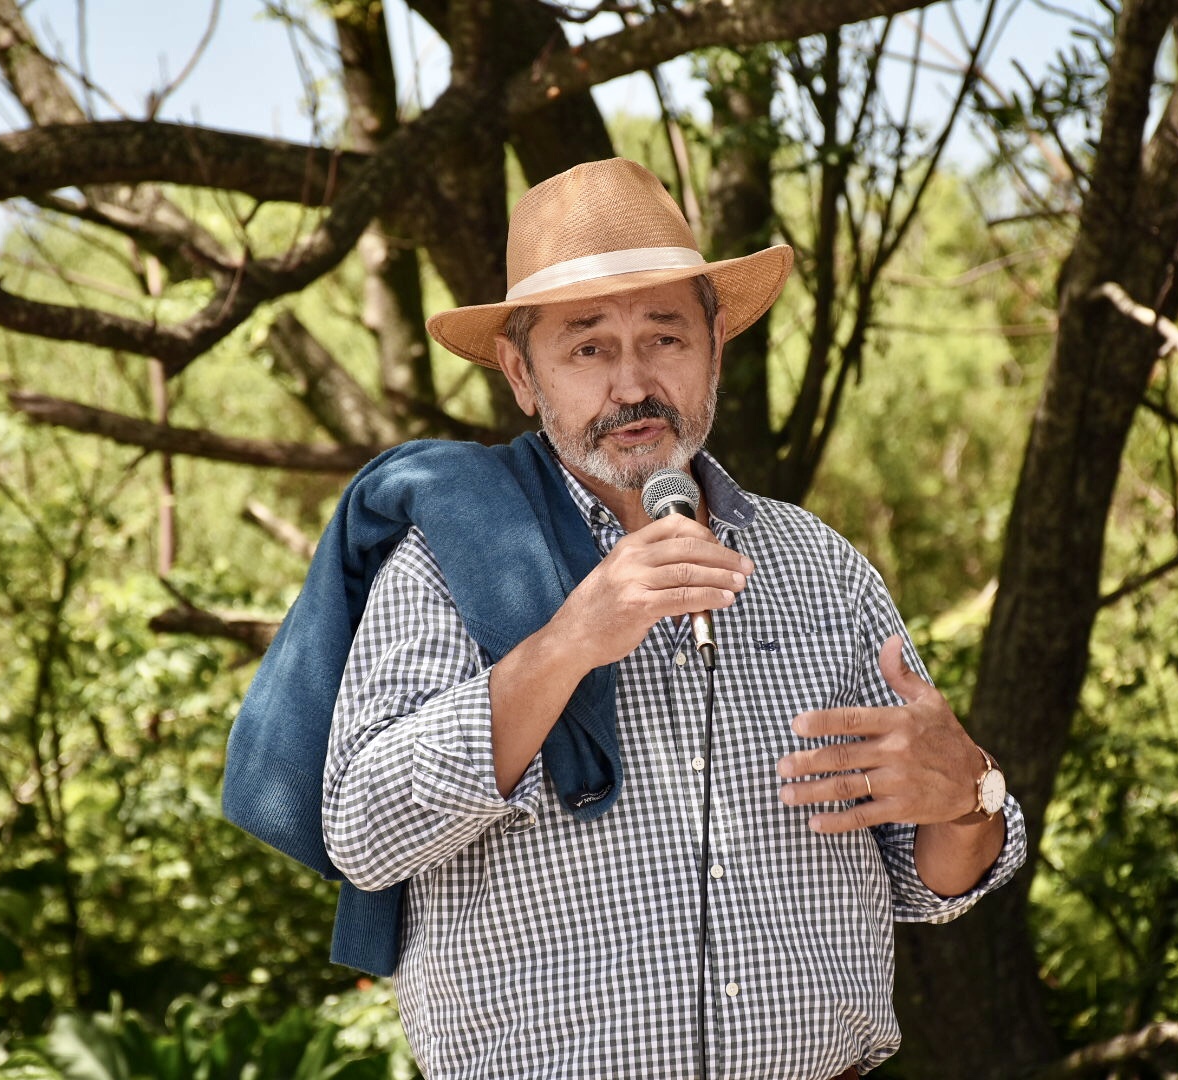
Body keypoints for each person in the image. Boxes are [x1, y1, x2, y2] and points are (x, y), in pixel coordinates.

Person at [301, 158, 1026, 1079]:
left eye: (665, 338)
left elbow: (930, 885)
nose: (633, 384)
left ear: (716, 344)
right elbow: (363, 836)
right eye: (588, 347)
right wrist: (567, 642)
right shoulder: (449, 557)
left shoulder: (818, 565)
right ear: (524, 375)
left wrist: (968, 799)